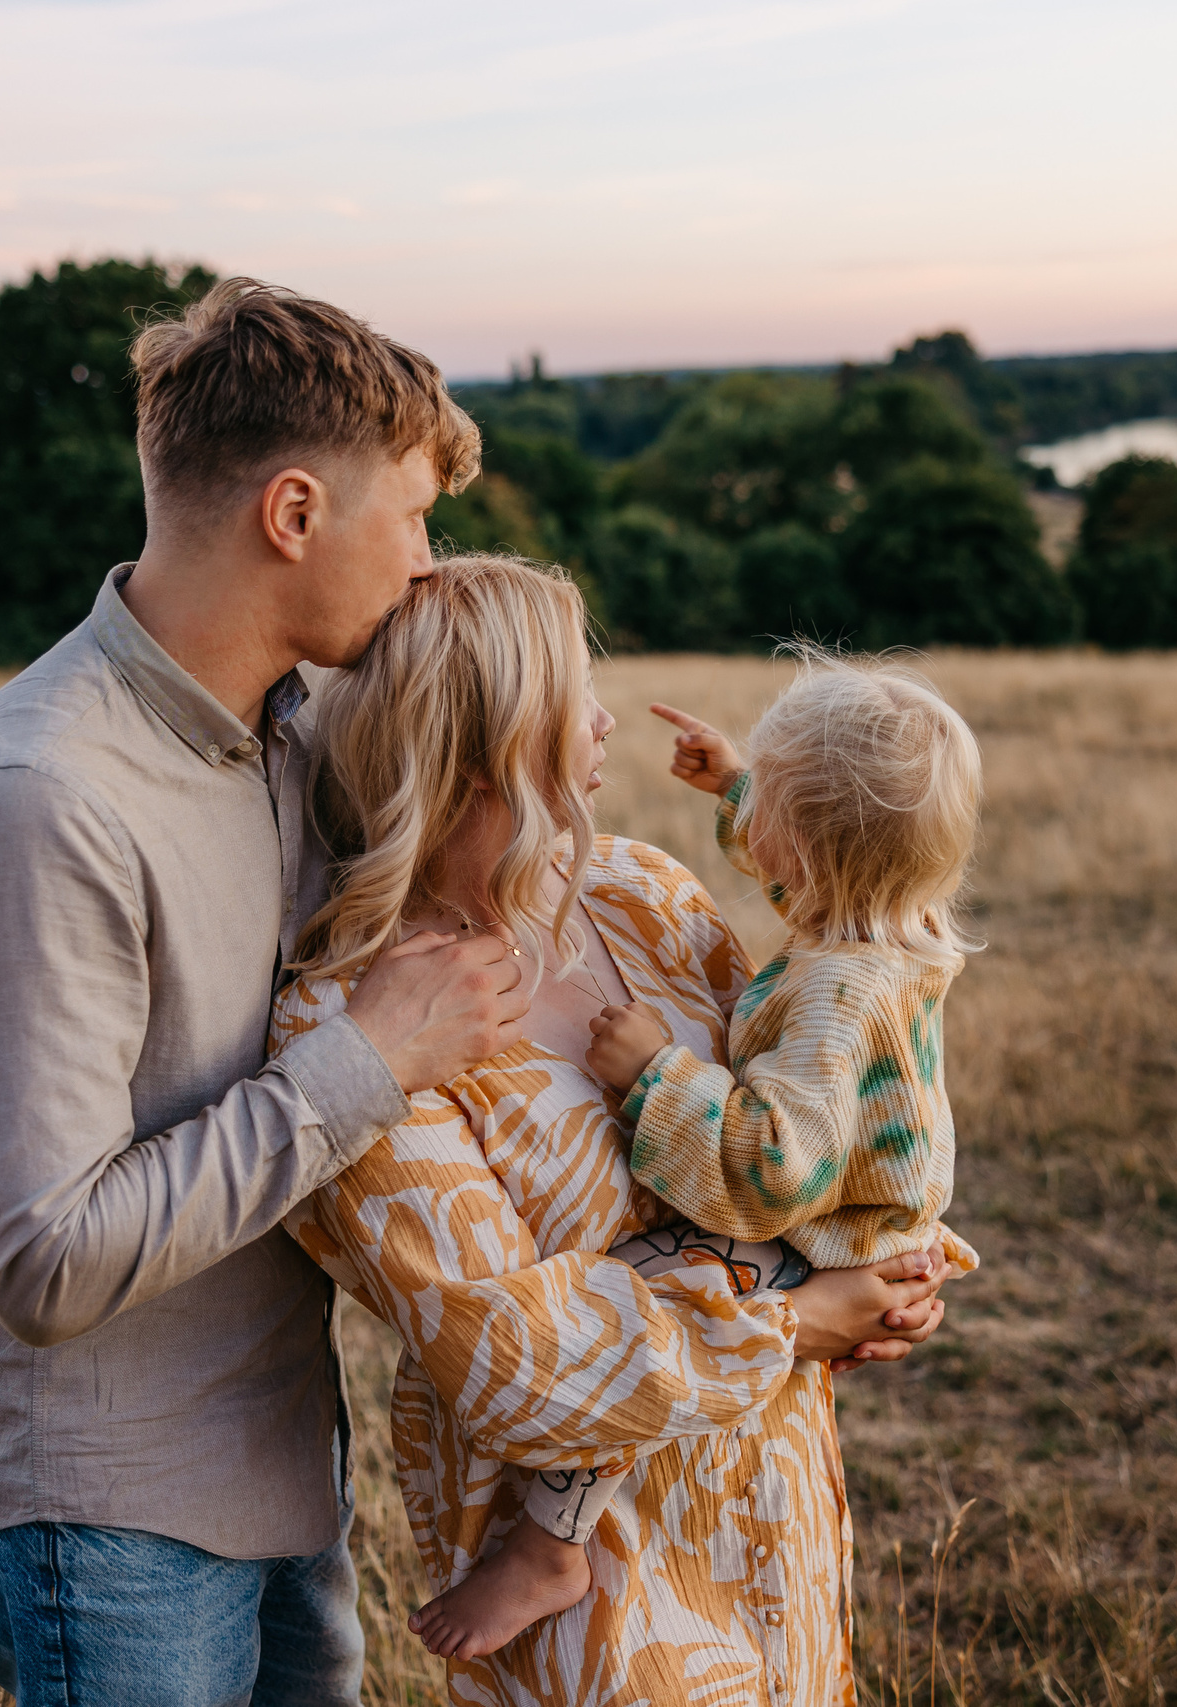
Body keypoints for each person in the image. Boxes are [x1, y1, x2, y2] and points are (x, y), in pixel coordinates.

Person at [0, 279, 536, 1707]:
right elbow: (44, 1260)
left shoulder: (292, 739)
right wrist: (365, 1064)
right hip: (106, 1515)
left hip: (281, 1468)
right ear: (293, 515)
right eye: (414, 519)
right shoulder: (37, 802)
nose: (430, 566)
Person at [274, 556, 955, 1702]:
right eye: (569, 697)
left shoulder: (644, 894)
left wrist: (880, 1261)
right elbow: (510, 1365)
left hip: (776, 1515)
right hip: (609, 1603)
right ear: (486, 748)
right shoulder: (350, 1019)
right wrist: (791, 1322)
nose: (601, 723)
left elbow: (796, 1116)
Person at [424, 656, 985, 1655]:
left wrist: (658, 1078)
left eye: (764, 793)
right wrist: (738, 785)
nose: (747, 820)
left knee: (638, 1287)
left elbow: (776, 1172)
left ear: (807, 847)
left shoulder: (834, 993)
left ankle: (552, 1545)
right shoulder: (883, 926)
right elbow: (809, 858)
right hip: (867, 1223)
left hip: (816, 1236)